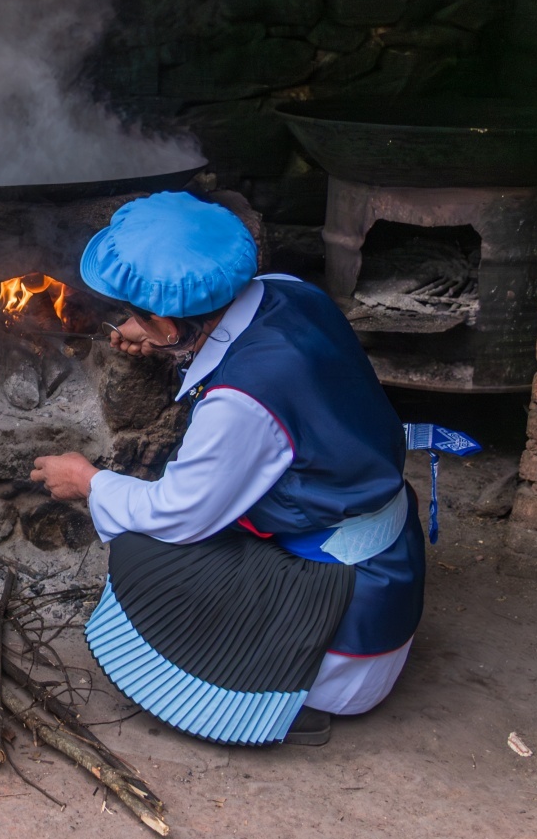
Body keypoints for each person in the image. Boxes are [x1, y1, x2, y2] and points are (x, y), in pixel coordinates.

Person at [29, 192, 421, 747]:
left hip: (346, 628)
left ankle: (267, 703)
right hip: (384, 556)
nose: (129, 323)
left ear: (171, 320)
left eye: (140, 313)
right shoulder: (291, 293)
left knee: (142, 549)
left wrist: (89, 481)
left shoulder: (243, 401)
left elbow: (175, 515)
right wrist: (166, 338)